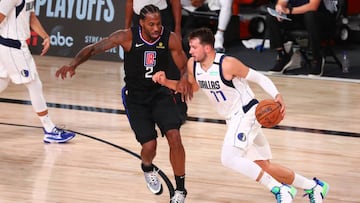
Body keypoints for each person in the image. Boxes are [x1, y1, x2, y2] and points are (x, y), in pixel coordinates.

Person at [152, 27, 330, 203]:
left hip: (247, 113)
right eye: (189, 47)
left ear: (207, 48)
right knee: (263, 166)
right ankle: (314, 187)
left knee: (228, 158)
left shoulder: (228, 64)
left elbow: (259, 78)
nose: (190, 51)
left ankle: (279, 189)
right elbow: (192, 88)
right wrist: (165, 81)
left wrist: (276, 95)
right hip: (232, 119)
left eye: (194, 47)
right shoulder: (193, 64)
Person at [55, 5, 189, 203]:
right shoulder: (126, 37)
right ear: (141, 23)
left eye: (158, 23)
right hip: (136, 98)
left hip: (160, 94)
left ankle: (180, 190)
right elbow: (93, 49)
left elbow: (184, 65)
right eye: (151, 24)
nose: (156, 28)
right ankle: (146, 166)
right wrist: (73, 64)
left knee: (174, 136)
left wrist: (185, 78)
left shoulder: (169, 38)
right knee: (150, 146)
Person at [0, 1, 75, 143]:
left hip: (9, 46)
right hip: (13, 46)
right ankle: (49, 129)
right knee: (34, 83)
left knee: (2, 82)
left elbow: (31, 17)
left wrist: (45, 36)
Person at [125, 0, 188, 124]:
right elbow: (129, 2)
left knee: (171, 67)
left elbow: (175, 2)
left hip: (161, 17)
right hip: (139, 18)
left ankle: (179, 111)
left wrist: (177, 28)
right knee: (140, 69)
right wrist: (126, 28)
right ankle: (144, 110)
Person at [266, 0, 337, 76]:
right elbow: (282, 2)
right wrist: (279, 7)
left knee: (310, 15)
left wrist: (289, 11)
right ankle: (282, 55)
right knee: (272, 16)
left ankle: (317, 58)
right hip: (298, 15)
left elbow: (313, 7)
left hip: (321, 18)